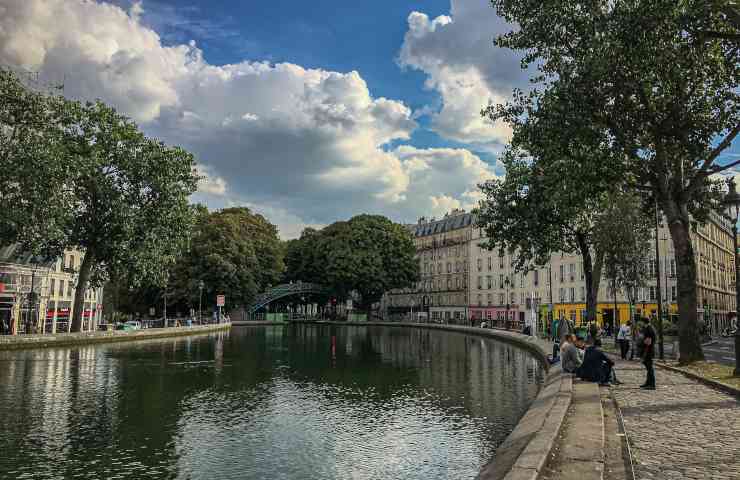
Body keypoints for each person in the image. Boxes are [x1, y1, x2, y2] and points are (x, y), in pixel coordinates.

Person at [640, 318, 657, 389]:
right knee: (648, 367)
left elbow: (648, 342)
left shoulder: (649, 329)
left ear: (644, 322)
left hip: (648, 351)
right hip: (648, 350)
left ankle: (652, 384)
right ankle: (648, 382)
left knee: (650, 368)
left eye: (642, 323)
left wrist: (641, 343)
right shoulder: (649, 328)